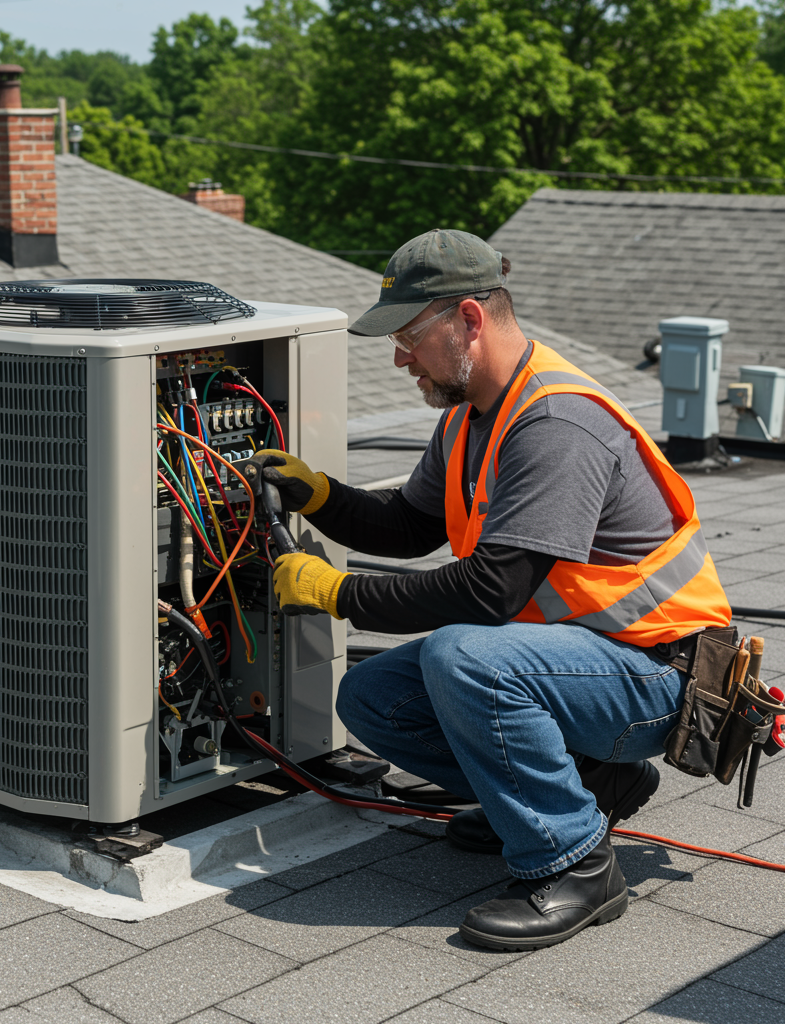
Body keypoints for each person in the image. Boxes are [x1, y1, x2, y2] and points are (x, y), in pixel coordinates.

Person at [250, 228, 733, 951]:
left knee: (464, 657)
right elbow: (414, 524)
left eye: (410, 336)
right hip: (579, 665)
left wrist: (334, 592)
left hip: (660, 676)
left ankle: (573, 860)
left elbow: (492, 593)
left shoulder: (556, 422)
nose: (398, 356)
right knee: (371, 700)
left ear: (468, 320)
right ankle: (585, 789)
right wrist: (322, 496)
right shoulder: (471, 414)